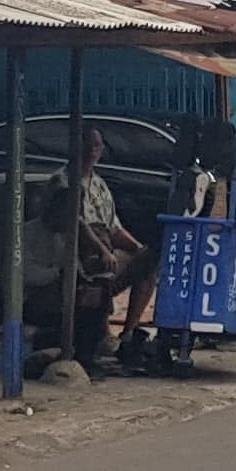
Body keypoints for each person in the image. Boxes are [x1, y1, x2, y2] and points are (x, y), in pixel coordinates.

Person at [49, 132, 153, 372]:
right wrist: (103, 251)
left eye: (98, 144)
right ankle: (92, 342)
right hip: (76, 254)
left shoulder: (100, 184)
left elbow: (114, 227)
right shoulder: (63, 181)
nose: (94, 149)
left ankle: (127, 336)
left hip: (105, 248)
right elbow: (76, 224)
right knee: (100, 272)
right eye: (90, 143)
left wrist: (137, 249)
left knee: (148, 263)